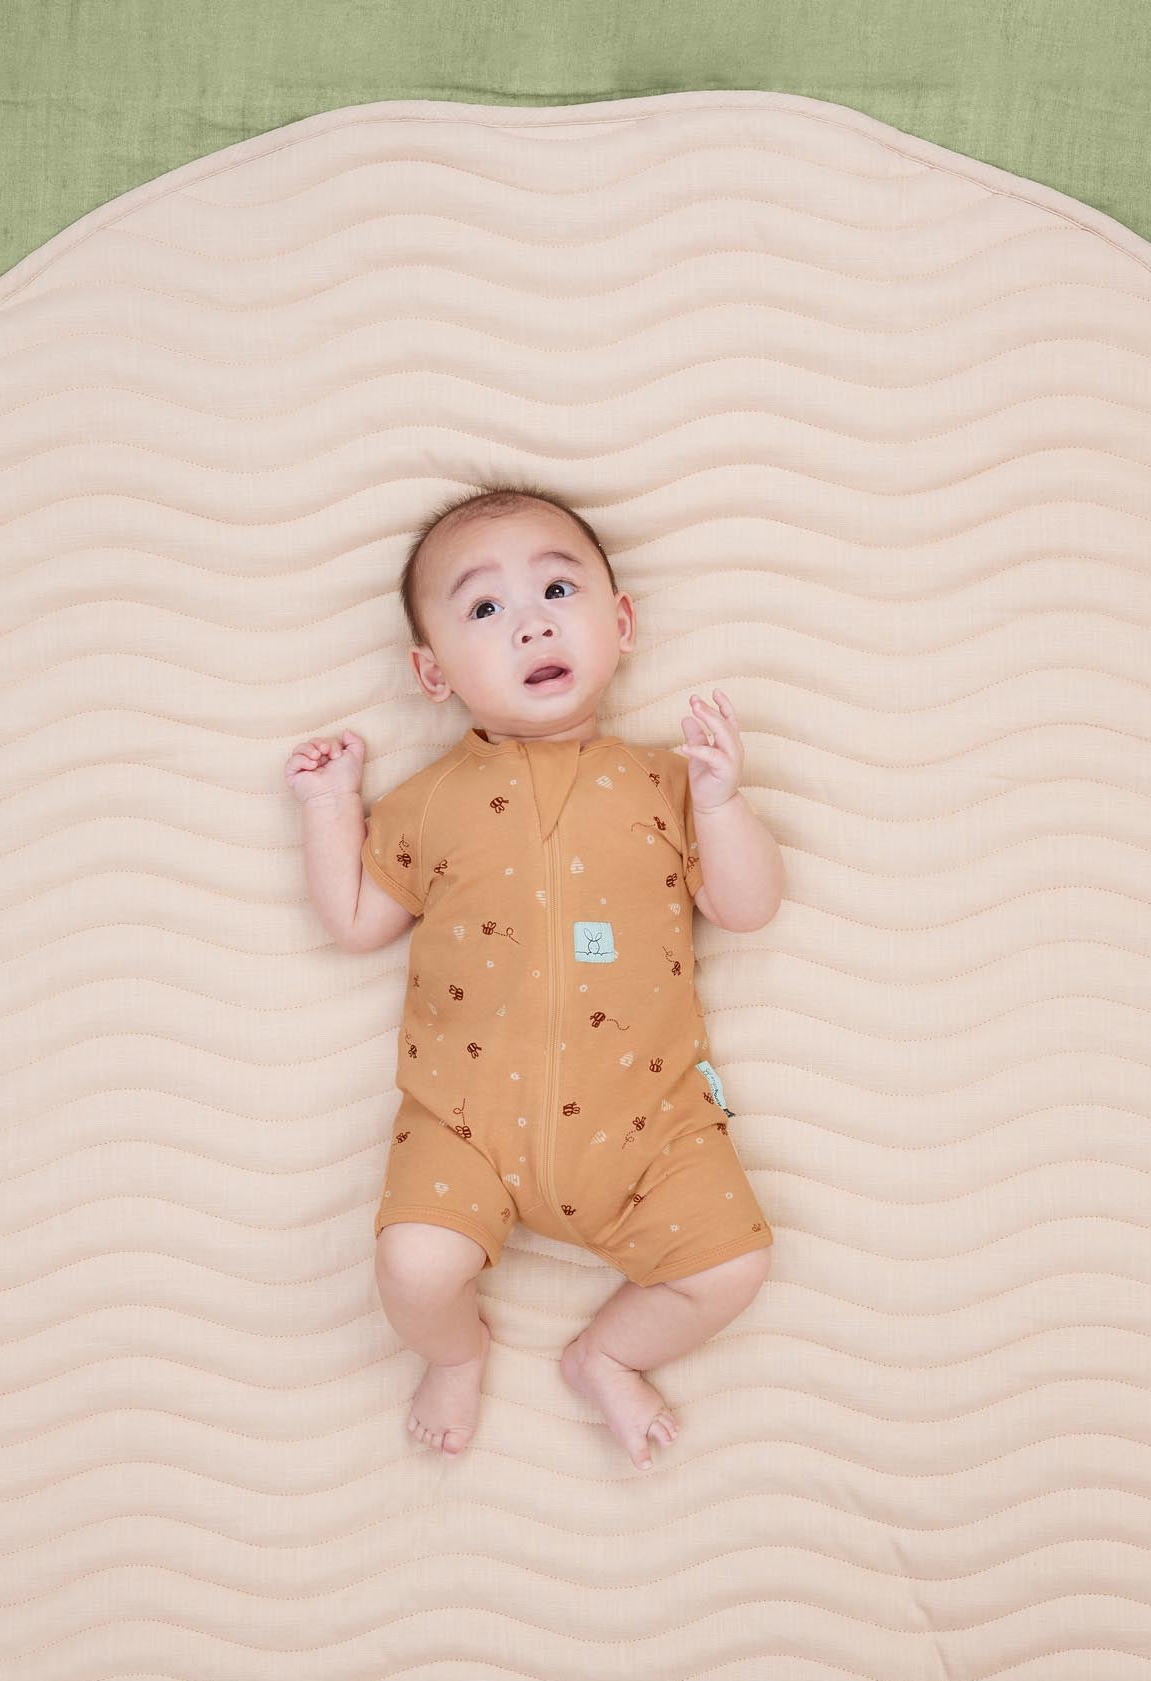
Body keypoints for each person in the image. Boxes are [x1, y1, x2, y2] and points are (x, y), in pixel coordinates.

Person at [284, 486, 783, 1468]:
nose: (531, 623)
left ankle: (607, 1353)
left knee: (734, 1266)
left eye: (557, 589)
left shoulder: (664, 784)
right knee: (411, 1266)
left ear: (621, 622)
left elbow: (747, 906)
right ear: (431, 672)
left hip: (645, 1120)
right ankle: (456, 1352)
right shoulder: (429, 802)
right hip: (465, 1120)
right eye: (483, 608)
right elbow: (354, 920)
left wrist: (723, 805)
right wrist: (329, 804)